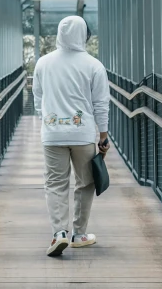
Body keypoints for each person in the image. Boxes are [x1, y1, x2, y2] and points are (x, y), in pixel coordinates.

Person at [32, 15, 110, 257]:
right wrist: (103, 137)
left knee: (55, 183)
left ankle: (59, 233)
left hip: (52, 133)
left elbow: (38, 99)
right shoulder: (93, 65)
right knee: (85, 183)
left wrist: (49, 122)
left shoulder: (43, 63)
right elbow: (101, 104)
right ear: (84, 35)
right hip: (83, 134)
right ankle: (79, 234)